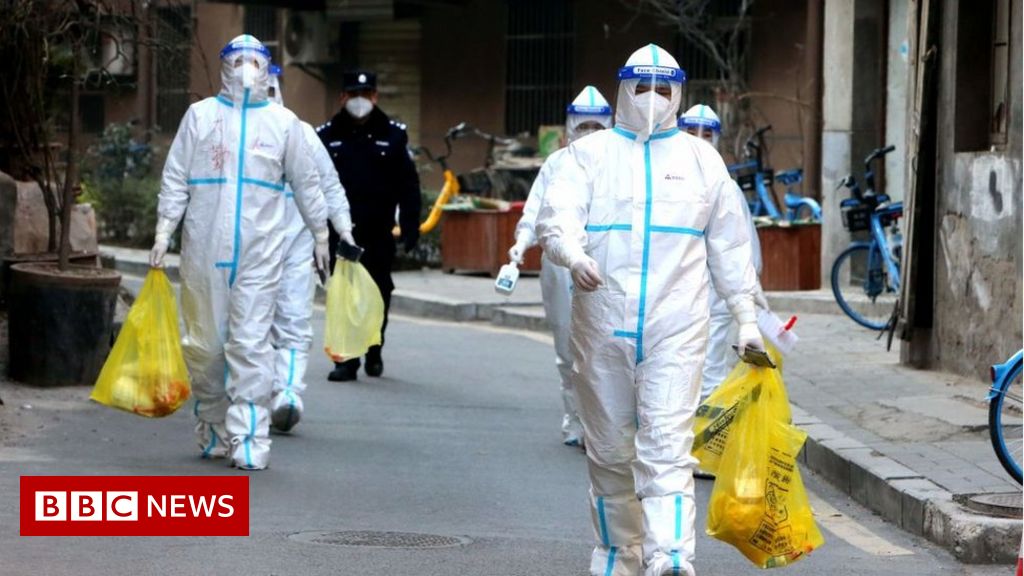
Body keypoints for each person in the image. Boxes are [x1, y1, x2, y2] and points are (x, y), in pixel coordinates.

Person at [536, 45, 765, 576]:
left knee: (667, 446)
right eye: (643, 88)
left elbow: (730, 246)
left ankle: (672, 557)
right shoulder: (588, 156)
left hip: (676, 327)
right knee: (610, 452)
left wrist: (746, 318)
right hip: (601, 324)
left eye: (665, 90)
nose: (654, 99)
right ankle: (618, 554)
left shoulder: (701, 161)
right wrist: (573, 254)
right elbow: (558, 215)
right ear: (624, 89)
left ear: (679, 93)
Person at [149, 35, 329, 470]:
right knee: (206, 347)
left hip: (259, 254)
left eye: (254, 61)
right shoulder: (200, 117)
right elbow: (175, 177)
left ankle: (250, 438)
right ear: (224, 67)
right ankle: (213, 423)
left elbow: (307, 183)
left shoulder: (283, 123)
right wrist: (163, 230)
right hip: (203, 250)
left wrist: (321, 233)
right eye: (237, 60)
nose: (245, 68)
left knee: (250, 346)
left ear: (266, 69)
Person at [507, 86, 613, 448]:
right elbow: (537, 209)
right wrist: (522, 243)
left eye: (597, 127)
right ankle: (576, 419)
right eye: (583, 127)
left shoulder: (619, 165)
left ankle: (602, 423)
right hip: (559, 265)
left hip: (602, 263)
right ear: (570, 127)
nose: (590, 133)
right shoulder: (557, 164)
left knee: (604, 345)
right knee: (567, 343)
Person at [265, 65, 356, 432]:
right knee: (246, 325)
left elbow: (329, 185)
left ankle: (287, 393)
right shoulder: (227, 133)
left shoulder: (301, 133)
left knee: (293, 319)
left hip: (295, 245)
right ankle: (247, 396)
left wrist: (342, 230)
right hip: (243, 250)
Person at [317, 70, 422, 382]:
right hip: (341, 231)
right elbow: (314, 186)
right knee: (344, 294)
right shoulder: (326, 136)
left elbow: (408, 185)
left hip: (378, 231)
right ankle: (347, 360)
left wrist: (411, 226)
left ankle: (374, 347)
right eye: (353, 94)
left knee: (380, 290)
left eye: (365, 94)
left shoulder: (393, 135)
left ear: (375, 97)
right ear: (342, 98)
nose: (359, 100)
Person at [678, 104, 767, 403]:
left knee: (710, 369)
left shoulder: (726, 187)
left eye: (707, 134)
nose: (698, 139)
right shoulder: (665, 184)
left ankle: (704, 428)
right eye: (691, 131)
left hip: (716, 296)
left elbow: (742, 243)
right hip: (672, 297)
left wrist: (749, 287)